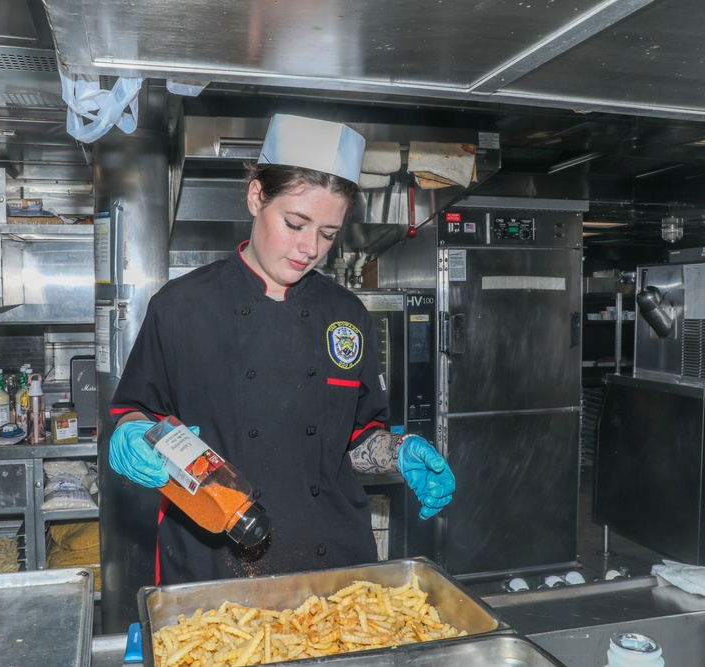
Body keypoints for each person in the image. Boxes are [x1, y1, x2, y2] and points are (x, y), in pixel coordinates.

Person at [109, 114, 455, 585]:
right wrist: (132, 435)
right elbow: (135, 412)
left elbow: (356, 438)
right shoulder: (181, 306)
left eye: (329, 234)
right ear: (256, 197)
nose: (310, 247)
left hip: (334, 561)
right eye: (295, 223)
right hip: (214, 561)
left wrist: (400, 452)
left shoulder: (346, 314)